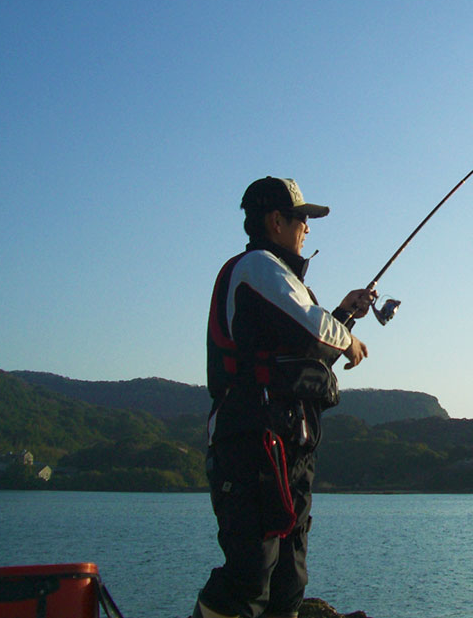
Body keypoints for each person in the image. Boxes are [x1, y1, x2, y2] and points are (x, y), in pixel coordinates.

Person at [193, 176, 375, 618]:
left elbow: (300, 351)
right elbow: (312, 331)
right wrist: (346, 338)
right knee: (249, 576)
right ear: (276, 221)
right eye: (302, 219)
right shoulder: (258, 266)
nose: (307, 229)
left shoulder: (278, 283)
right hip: (252, 443)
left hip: (286, 447)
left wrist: (345, 315)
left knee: (288, 580)